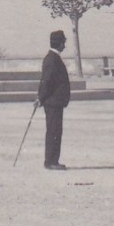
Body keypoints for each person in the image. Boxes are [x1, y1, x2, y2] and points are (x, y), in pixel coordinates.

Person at [36, 29, 72, 170]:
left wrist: (40, 97)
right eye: (63, 42)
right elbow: (47, 82)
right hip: (53, 102)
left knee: (55, 131)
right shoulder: (52, 59)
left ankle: (52, 160)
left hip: (54, 102)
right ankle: (51, 161)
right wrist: (40, 98)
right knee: (54, 131)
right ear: (59, 43)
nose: (64, 45)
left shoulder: (52, 58)